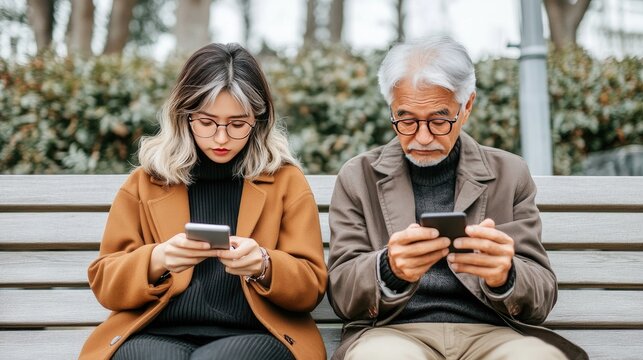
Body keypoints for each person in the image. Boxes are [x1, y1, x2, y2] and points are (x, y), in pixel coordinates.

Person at [326, 36, 587, 360]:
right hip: (392, 332)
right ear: (390, 108)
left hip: (494, 333)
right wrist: (388, 268)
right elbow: (341, 293)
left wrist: (506, 275)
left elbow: (542, 296)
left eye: (439, 120)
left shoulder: (510, 173)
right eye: (406, 120)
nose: (422, 137)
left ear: (467, 107)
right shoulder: (358, 176)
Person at [79, 43, 327, 360]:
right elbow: (105, 282)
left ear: (258, 122)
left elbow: (310, 287)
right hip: (153, 331)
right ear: (184, 116)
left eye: (238, 124)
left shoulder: (284, 181)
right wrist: (158, 259)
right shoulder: (148, 181)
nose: (221, 138)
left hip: (257, 334)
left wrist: (264, 265)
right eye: (207, 122)